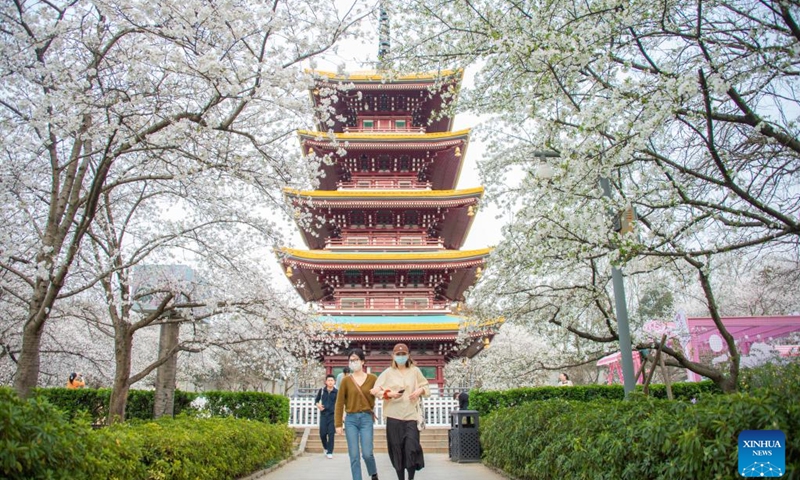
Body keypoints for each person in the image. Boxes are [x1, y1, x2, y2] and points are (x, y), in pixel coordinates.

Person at [371, 343, 429, 480]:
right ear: (393, 356)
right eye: (398, 354)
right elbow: (375, 390)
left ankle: (411, 477)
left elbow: (426, 386)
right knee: (396, 450)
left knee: (411, 448)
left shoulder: (415, 371)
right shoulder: (387, 373)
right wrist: (389, 394)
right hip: (393, 416)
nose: (401, 357)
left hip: (411, 416)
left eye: (403, 354)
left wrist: (419, 390)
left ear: (408, 355)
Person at [335, 348, 379, 480]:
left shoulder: (372, 378)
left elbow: (381, 393)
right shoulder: (346, 381)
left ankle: (373, 473)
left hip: (366, 419)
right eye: (351, 360)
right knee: (354, 455)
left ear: (363, 361)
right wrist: (338, 424)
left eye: (356, 360)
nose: (353, 362)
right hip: (351, 420)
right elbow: (339, 403)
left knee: (367, 453)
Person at [314, 374, 338, 459]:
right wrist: (318, 405)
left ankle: (330, 452)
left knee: (331, 434)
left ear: (334, 382)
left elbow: (340, 404)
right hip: (323, 415)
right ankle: (326, 447)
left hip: (332, 415)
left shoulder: (337, 392)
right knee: (322, 434)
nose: (330, 382)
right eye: (329, 380)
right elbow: (316, 400)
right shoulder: (322, 391)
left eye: (332, 380)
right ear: (326, 382)